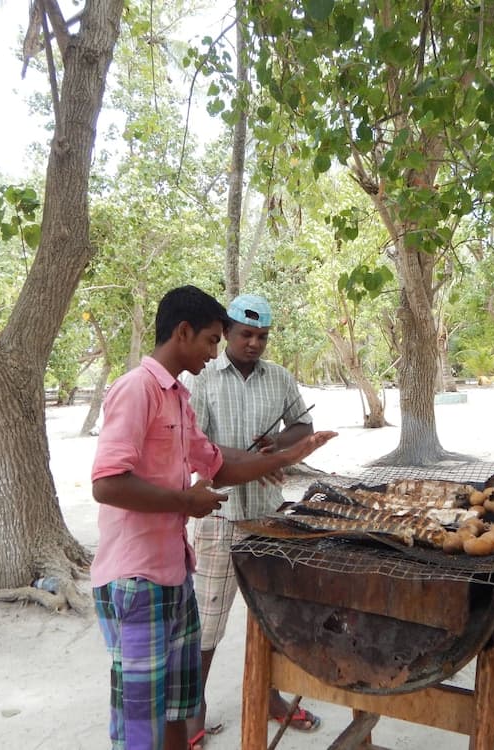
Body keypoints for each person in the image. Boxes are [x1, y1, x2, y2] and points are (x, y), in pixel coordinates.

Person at [89, 285, 336, 750]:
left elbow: (218, 462)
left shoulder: (177, 396)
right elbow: (106, 483)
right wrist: (186, 501)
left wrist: (291, 453)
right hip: (135, 578)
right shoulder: (136, 389)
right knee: (142, 723)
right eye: (210, 340)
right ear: (183, 333)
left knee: (177, 710)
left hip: (173, 570)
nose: (214, 350)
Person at [180, 293, 321, 745]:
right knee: (208, 617)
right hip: (216, 513)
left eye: (262, 336)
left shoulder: (279, 378)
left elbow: (301, 425)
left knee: (271, 612)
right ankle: (193, 706)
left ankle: (273, 695)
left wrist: (278, 444)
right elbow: (195, 446)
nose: (254, 343)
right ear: (227, 333)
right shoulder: (202, 380)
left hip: (266, 513)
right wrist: (249, 460)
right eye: (246, 334)